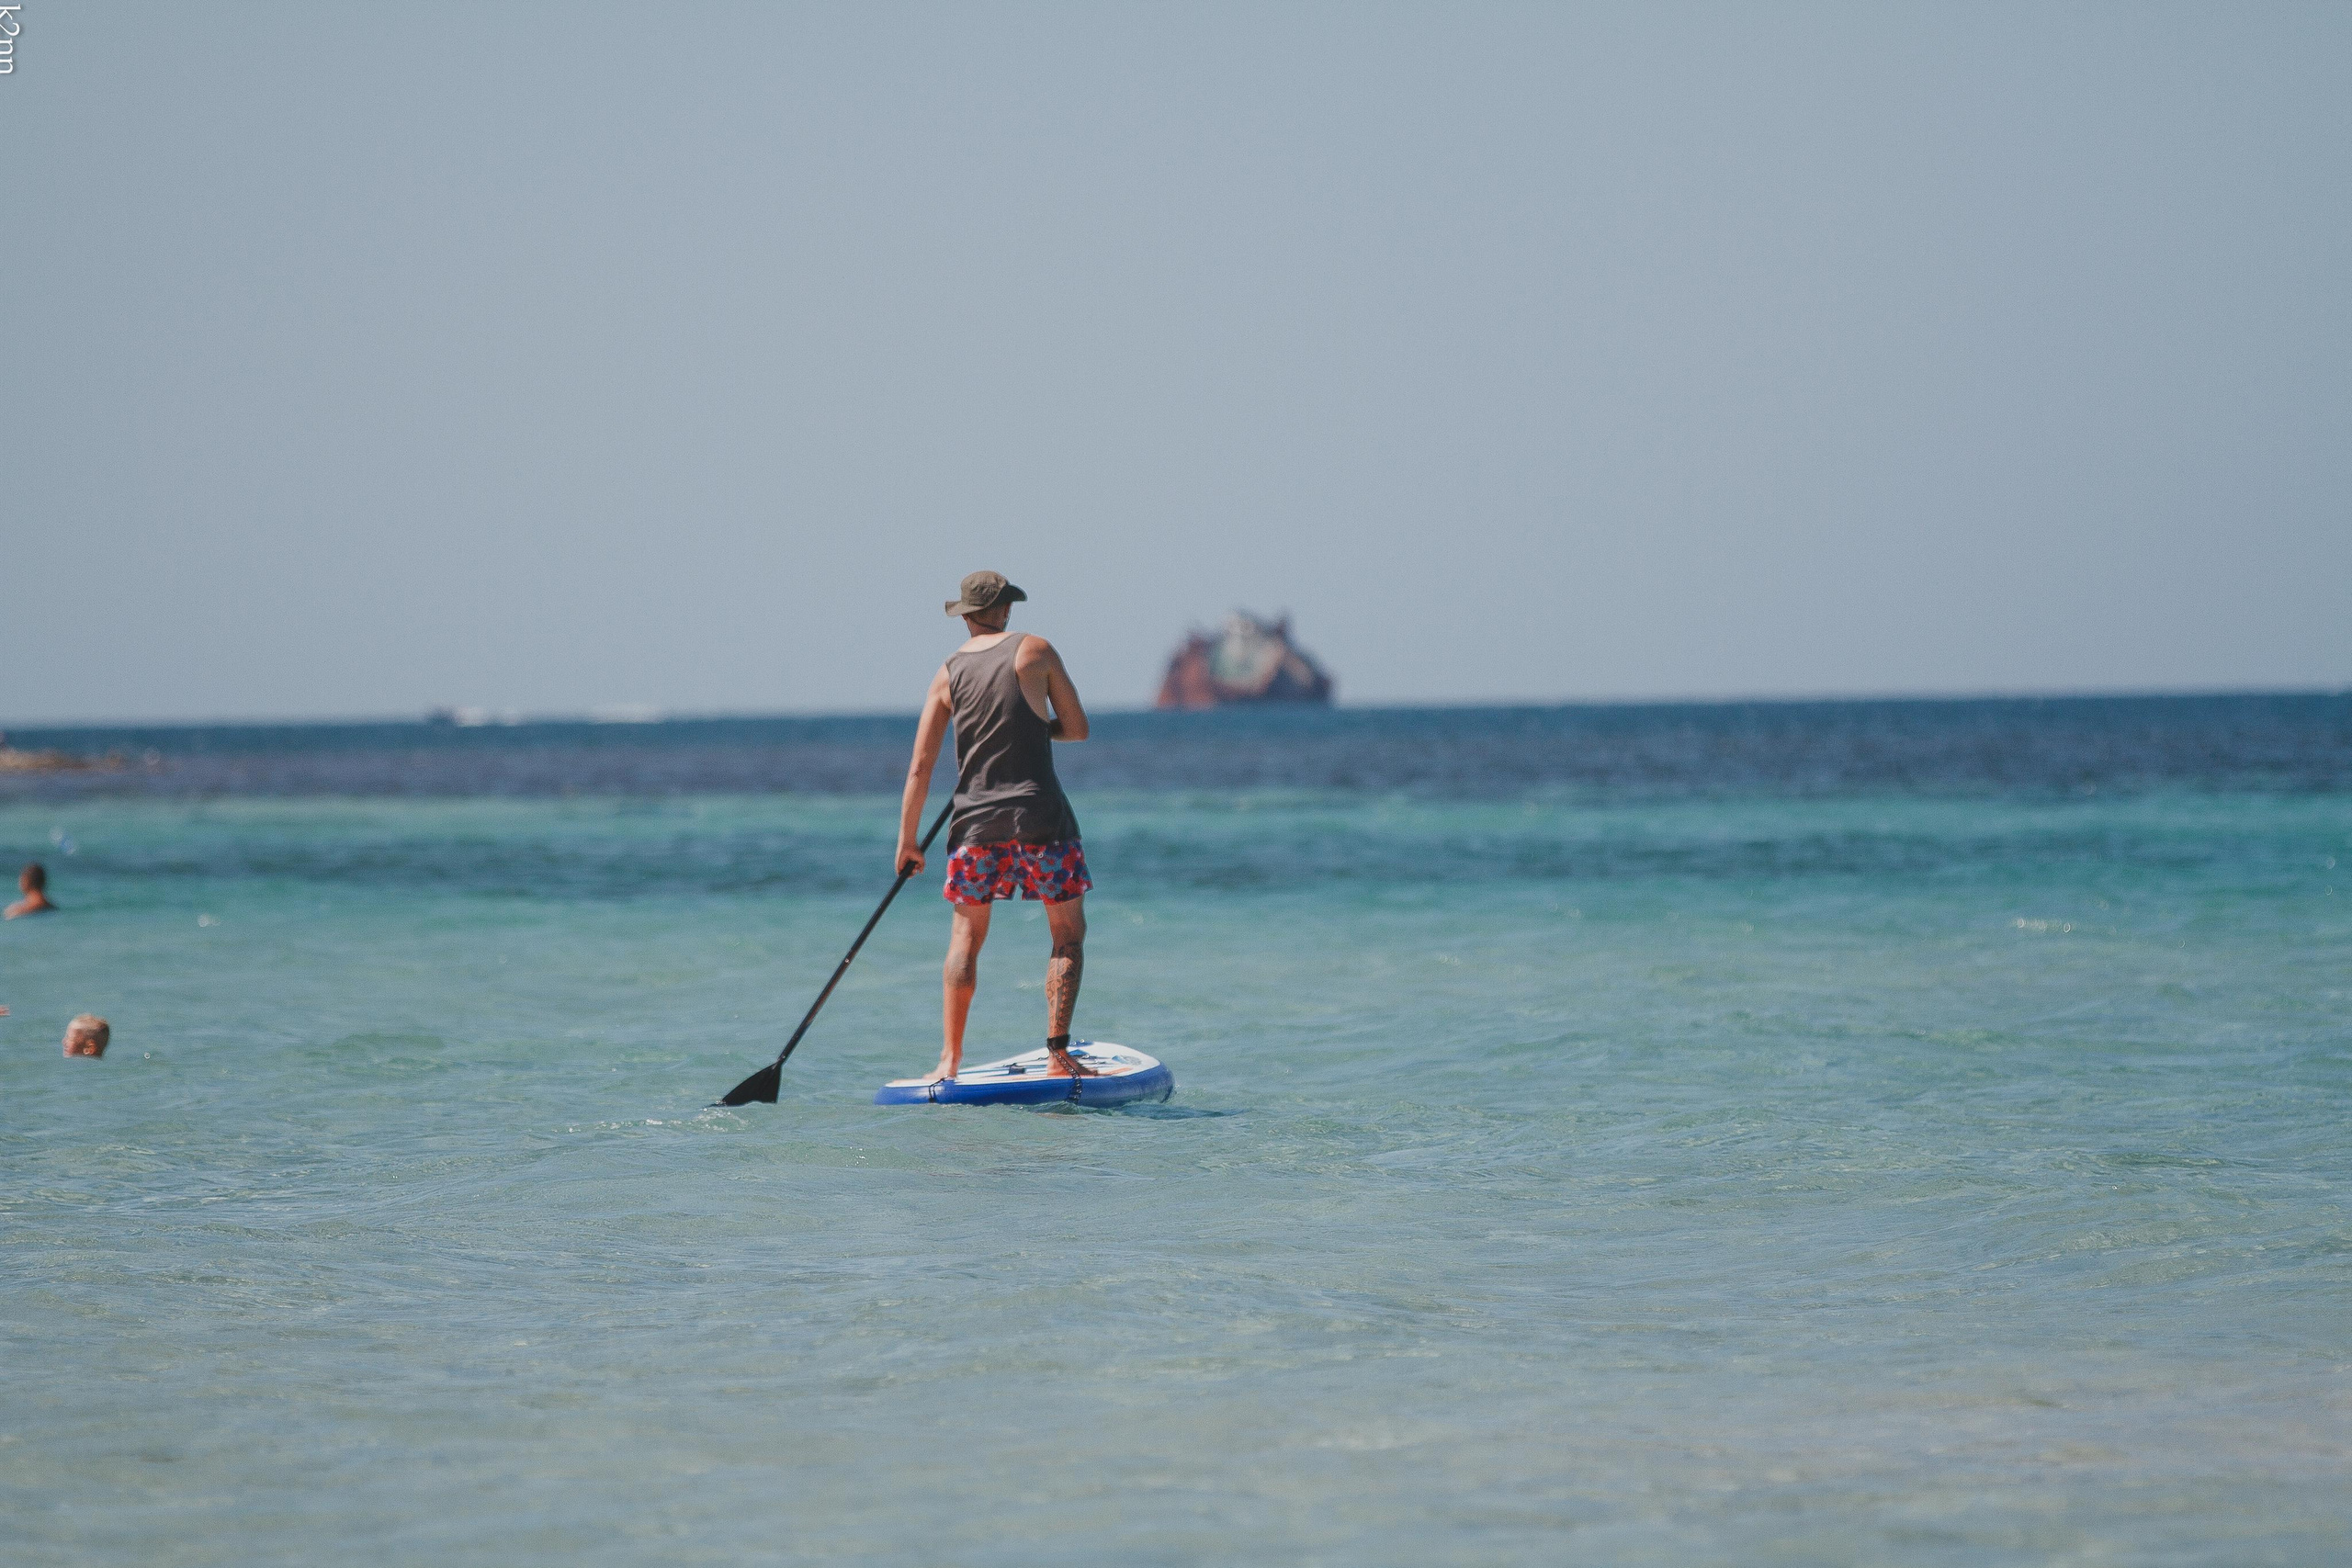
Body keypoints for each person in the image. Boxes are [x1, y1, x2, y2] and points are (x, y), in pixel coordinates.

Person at [896, 570, 1096, 1084]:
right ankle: (1057, 1054)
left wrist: (909, 843)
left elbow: (920, 767)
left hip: (973, 824)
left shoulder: (946, 673)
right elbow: (1076, 729)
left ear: (965, 615)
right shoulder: (1037, 651)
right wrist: (1031, 728)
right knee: (1067, 936)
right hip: (1041, 819)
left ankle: (949, 1060)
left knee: (965, 938)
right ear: (1006, 609)